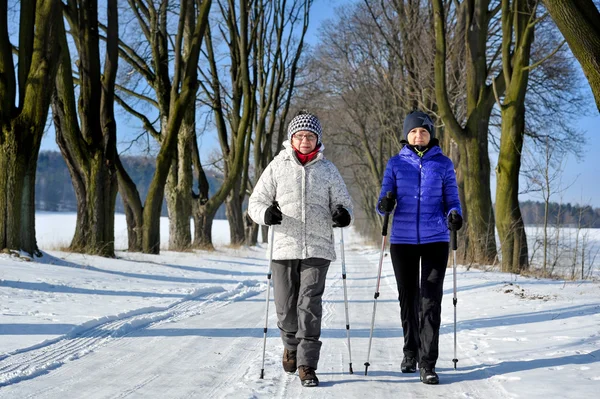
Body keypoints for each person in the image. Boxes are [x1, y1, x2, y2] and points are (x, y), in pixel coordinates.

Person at [248, 110, 353, 387]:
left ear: (317, 139)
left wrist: (342, 214)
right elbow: (255, 202)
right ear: (291, 139)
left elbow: (344, 203)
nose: (304, 140)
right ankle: (290, 346)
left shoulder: (328, 169)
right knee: (285, 308)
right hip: (284, 247)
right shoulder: (276, 167)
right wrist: (266, 214)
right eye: (300, 135)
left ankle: (307, 365)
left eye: (309, 135)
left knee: (309, 304)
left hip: (318, 246)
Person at [376, 110, 463, 385]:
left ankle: (428, 363)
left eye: (423, 131)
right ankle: (410, 352)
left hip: (436, 238)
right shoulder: (395, 164)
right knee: (408, 298)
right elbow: (382, 200)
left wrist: (454, 215)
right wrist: (385, 205)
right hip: (402, 240)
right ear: (407, 134)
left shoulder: (444, 164)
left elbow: (452, 199)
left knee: (430, 301)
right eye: (414, 131)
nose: (419, 135)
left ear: (430, 135)